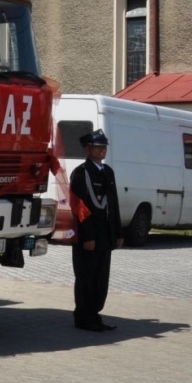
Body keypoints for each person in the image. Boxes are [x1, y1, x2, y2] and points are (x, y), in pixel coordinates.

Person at [70, 128, 123, 332]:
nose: (103, 151)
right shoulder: (81, 173)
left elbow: (114, 203)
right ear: (87, 149)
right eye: (98, 147)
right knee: (86, 277)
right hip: (88, 235)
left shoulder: (107, 172)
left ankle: (95, 314)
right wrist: (88, 235)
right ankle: (83, 316)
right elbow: (80, 207)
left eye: (104, 147)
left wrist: (118, 232)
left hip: (106, 234)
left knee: (101, 278)